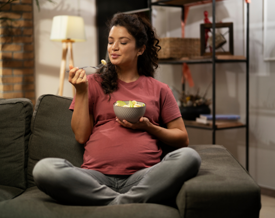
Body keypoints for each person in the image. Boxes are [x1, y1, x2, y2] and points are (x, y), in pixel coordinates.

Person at [33, 13, 201, 206]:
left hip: (143, 177)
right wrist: (81, 91)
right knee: (44, 169)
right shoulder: (93, 83)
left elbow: (182, 139)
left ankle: (112, 202)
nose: (113, 47)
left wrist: (149, 127)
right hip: (94, 177)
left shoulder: (159, 89)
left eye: (123, 42)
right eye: (111, 41)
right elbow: (81, 136)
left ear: (140, 49)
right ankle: (126, 202)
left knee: (189, 157)